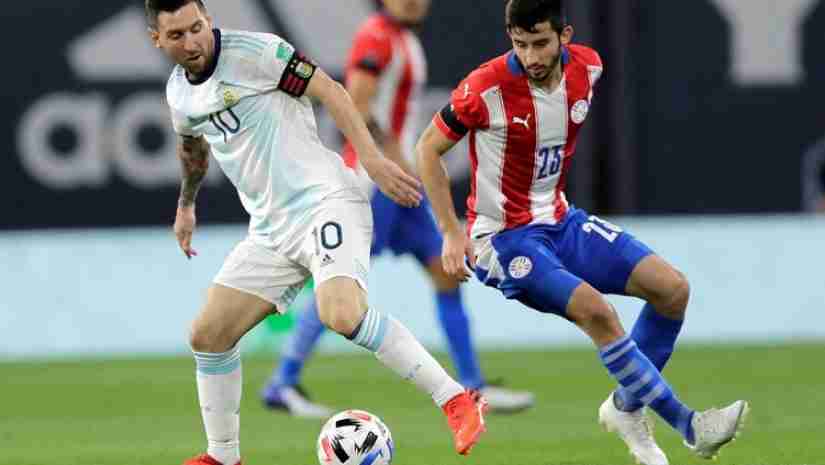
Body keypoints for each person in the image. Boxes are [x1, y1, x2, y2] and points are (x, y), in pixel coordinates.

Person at [146, 1, 488, 464]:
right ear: (157, 39)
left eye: (197, 28)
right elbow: (193, 149)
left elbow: (331, 90)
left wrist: (371, 160)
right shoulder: (179, 94)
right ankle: (223, 456)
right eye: (177, 35)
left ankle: (456, 399)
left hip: (327, 201)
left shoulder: (257, 53)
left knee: (341, 314)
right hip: (271, 229)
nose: (192, 43)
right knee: (208, 335)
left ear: (209, 20)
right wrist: (186, 205)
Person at [415, 1, 749, 464]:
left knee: (672, 290)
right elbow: (427, 149)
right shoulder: (484, 88)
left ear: (565, 36)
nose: (530, 56)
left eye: (540, 43)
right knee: (597, 312)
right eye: (519, 44)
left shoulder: (588, 68)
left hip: (561, 221)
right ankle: (690, 426)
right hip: (504, 239)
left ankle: (626, 408)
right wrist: (451, 232)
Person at [260, 0, 534, 418]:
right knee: (338, 282)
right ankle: (282, 382)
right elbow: (356, 102)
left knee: (446, 273)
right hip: (375, 183)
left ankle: (473, 386)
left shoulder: (403, 39)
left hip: (399, 182)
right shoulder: (377, 35)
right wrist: (392, 155)